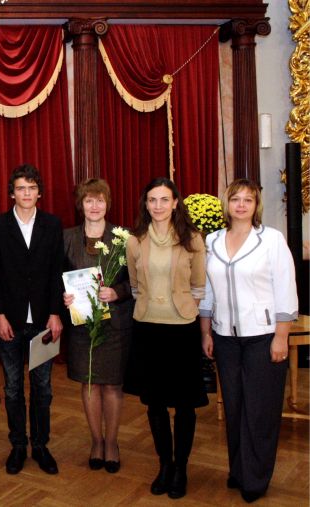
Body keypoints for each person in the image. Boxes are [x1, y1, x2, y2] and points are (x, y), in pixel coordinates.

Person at [200, 179, 298, 503]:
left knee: (260, 411)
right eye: (236, 199)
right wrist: (206, 331)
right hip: (225, 337)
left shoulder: (271, 240)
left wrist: (281, 337)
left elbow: (286, 289)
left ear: (256, 205)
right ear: (226, 204)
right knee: (235, 407)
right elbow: (208, 290)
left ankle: (256, 478)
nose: (241, 205)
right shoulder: (212, 240)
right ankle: (239, 470)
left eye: (248, 200)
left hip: (263, 337)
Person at [124, 177, 207, 499]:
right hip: (147, 328)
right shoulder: (135, 240)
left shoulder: (192, 239)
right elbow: (134, 285)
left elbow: (198, 286)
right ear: (145, 204)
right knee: (155, 404)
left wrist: (182, 307)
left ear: (175, 203)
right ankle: (165, 465)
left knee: (185, 406)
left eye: (163, 199)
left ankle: (181, 468)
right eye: (152, 200)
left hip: (181, 329)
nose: (157, 206)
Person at [0, 164, 63, 476]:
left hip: (44, 322)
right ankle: (18, 445)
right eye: (20, 188)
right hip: (10, 323)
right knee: (13, 388)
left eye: (31, 188)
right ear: (12, 193)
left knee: (43, 387)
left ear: (39, 192)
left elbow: (57, 272)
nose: (26, 193)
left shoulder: (52, 225)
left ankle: (40, 445)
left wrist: (55, 313)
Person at [63, 178, 133, 474]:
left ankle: (112, 443)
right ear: (81, 205)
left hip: (115, 323)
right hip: (81, 325)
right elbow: (56, 276)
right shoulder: (66, 237)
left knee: (113, 385)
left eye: (100, 200)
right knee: (89, 382)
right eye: (89, 200)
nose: (94, 206)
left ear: (108, 204)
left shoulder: (124, 237)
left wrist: (117, 292)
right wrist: (64, 296)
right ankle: (96, 441)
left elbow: (137, 280)